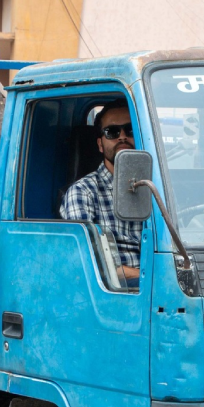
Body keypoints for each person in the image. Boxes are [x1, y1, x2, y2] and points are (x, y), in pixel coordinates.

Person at [60, 100, 143, 284]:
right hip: (116, 293)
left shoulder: (156, 189)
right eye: (112, 132)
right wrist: (147, 275)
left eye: (129, 130)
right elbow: (89, 263)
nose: (122, 137)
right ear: (100, 144)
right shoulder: (82, 193)